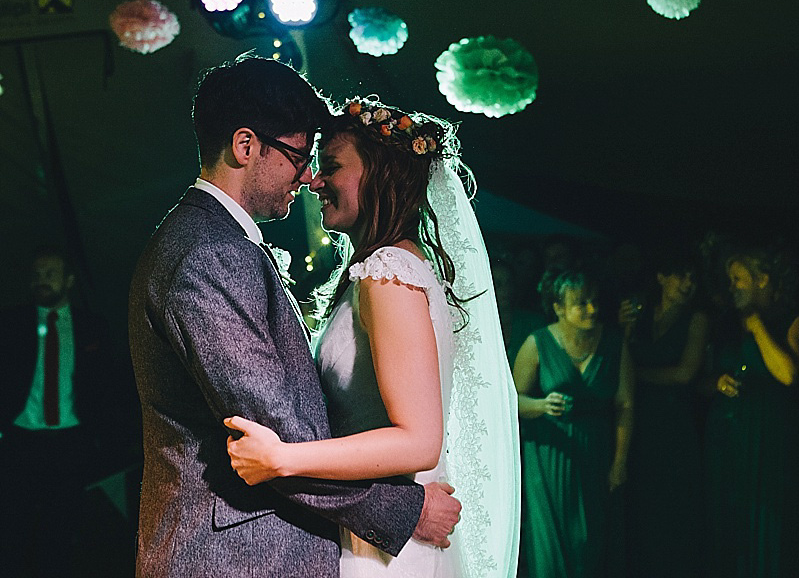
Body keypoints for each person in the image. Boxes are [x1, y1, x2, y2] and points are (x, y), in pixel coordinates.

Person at [128, 56, 461, 577]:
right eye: (301, 155)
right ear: (245, 146)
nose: (308, 177)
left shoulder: (216, 243)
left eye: (322, 163)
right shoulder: (208, 253)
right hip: (235, 554)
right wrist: (404, 509)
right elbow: (272, 426)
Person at [222, 97, 521, 577]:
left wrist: (281, 458)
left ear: (382, 175)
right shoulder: (387, 270)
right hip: (380, 531)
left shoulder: (388, 275)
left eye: (332, 168)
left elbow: (418, 443)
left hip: (392, 550)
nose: (314, 182)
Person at [0, 246, 122, 577]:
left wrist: (102, 440)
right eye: (37, 275)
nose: (42, 281)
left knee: (61, 528)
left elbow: (107, 386)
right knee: (13, 528)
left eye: (50, 274)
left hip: (71, 443)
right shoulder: (11, 324)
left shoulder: (92, 327)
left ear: (68, 280)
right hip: (20, 441)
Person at [513, 267, 634, 578]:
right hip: (548, 455)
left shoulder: (614, 344)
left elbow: (624, 405)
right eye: (581, 303)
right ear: (559, 308)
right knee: (549, 546)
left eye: (594, 301)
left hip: (595, 451)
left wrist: (620, 461)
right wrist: (541, 405)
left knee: (590, 543)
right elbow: (513, 401)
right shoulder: (537, 343)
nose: (592, 309)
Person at [704, 244, 799, 578]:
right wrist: (715, 381)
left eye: (739, 279)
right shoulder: (724, 324)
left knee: (768, 522)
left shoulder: (788, 319)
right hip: (731, 437)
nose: (732, 287)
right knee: (732, 519)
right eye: (730, 280)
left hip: (769, 436)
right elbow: (701, 378)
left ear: (762, 280)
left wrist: (757, 326)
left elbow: (788, 374)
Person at [619, 248, 709, 578]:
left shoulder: (696, 319)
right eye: (681, 275)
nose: (687, 283)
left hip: (674, 424)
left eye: (693, 278)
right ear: (661, 277)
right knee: (642, 508)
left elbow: (685, 373)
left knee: (675, 508)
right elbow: (621, 358)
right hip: (640, 422)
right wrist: (625, 331)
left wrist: (636, 376)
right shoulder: (640, 314)